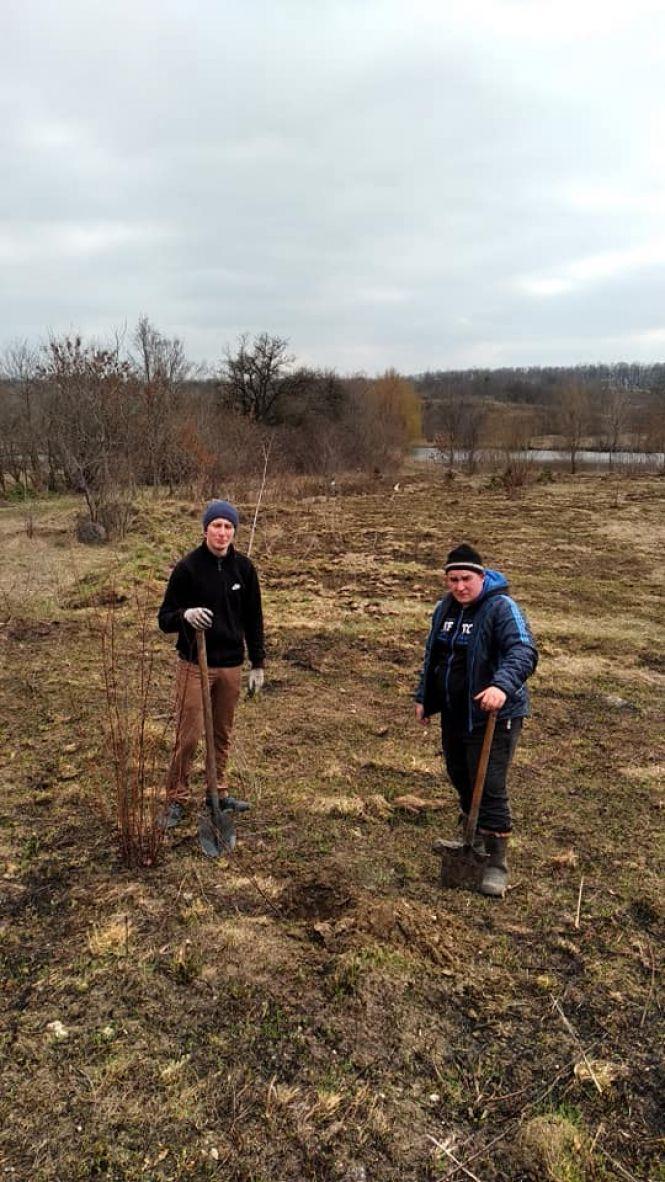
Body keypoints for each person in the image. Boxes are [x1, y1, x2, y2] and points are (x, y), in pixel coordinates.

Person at [415, 543, 537, 897]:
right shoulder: (445, 609)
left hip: (496, 716)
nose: (459, 586)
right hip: (456, 713)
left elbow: (523, 651)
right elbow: (434, 655)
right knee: (460, 775)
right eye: (452, 579)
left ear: (481, 576)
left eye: (466, 578)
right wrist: (425, 696)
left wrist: (501, 685)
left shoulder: (501, 607)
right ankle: (472, 837)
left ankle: (496, 862)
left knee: (491, 785)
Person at [158, 498, 265, 828]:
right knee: (188, 735)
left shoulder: (244, 569)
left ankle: (217, 792)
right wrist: (185, 616)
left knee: (222, 733)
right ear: (206, 529)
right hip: (194, 664)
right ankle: (176, 797)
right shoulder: (188, 568)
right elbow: (165, 619)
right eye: (217, 526)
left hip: (231, 664)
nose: (222, 532)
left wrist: (257, 663)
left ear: (234, 532)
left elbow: (254, 619)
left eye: (229, 527)